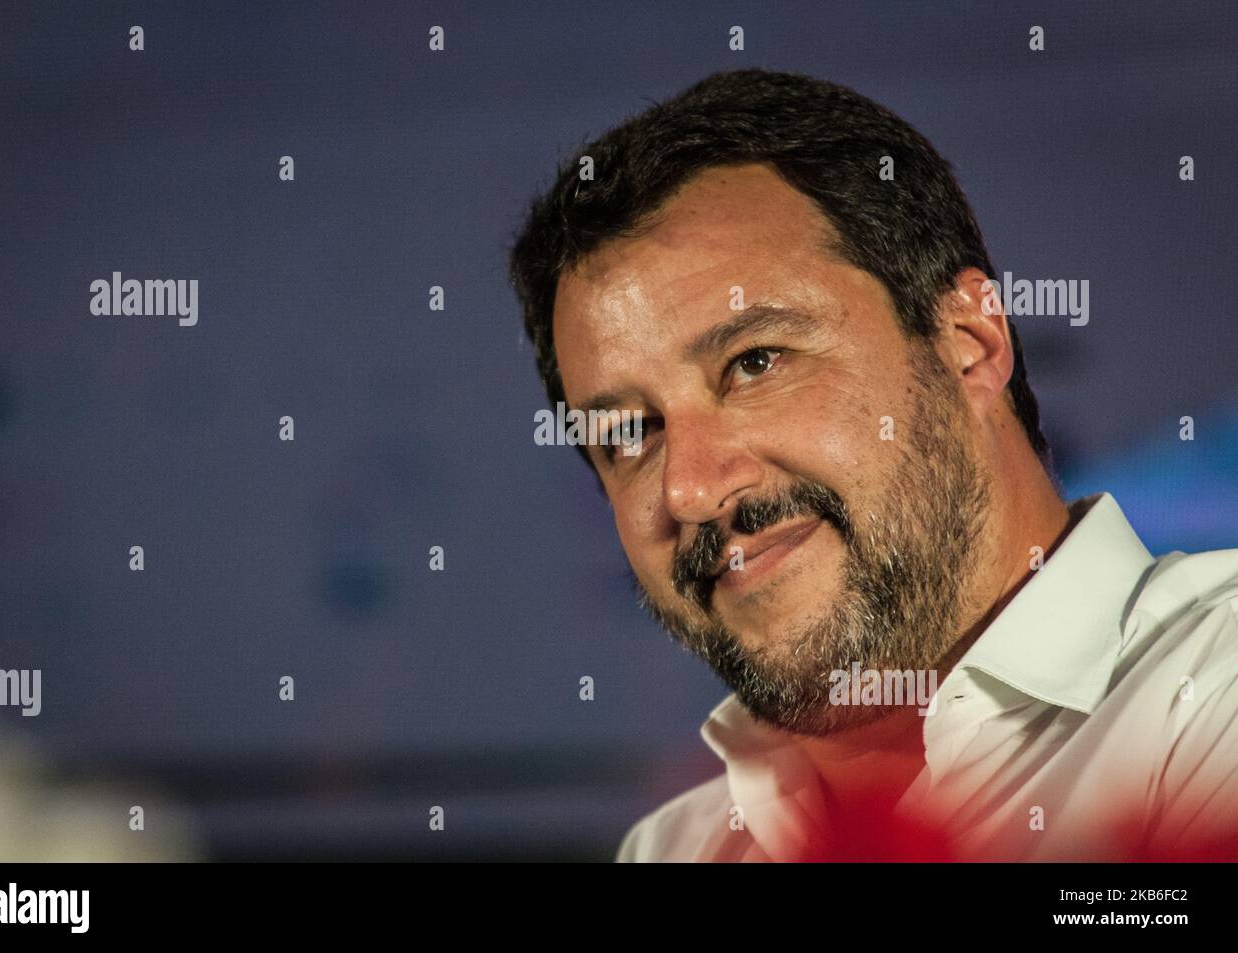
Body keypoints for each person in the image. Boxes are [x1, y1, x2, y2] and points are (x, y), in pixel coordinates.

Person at [509, 69, 1238, 861]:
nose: (690, 487)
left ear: (971, 343)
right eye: (627, 434)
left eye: (755, 362)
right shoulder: (675, 846)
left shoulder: (1214, 689)